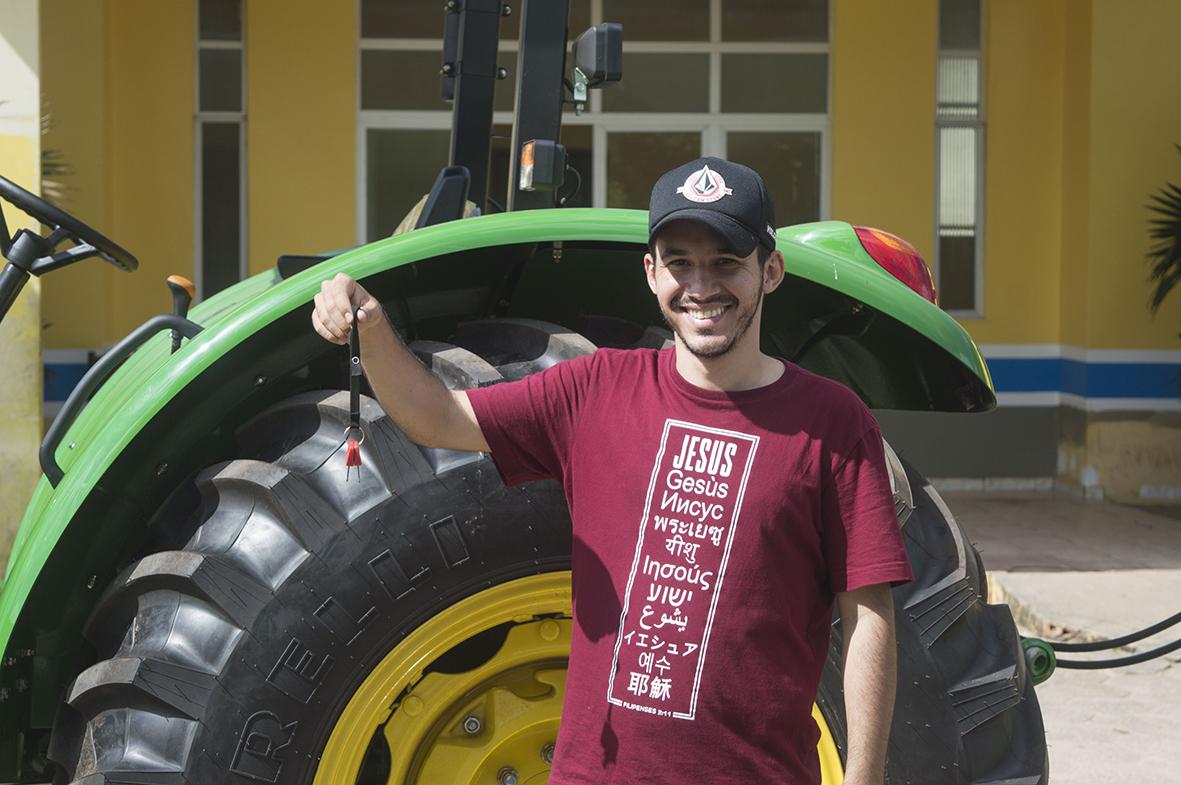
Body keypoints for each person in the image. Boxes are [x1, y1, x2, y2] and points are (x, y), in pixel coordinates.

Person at [312, 157, 913, 785]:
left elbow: (869, 612)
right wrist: (372, 326)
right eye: (679, 261)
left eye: (726, 262)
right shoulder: (595, 391)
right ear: (652, 274)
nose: (701, 285)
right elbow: (435, 417)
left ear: (771, 270)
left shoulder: (833, 423)